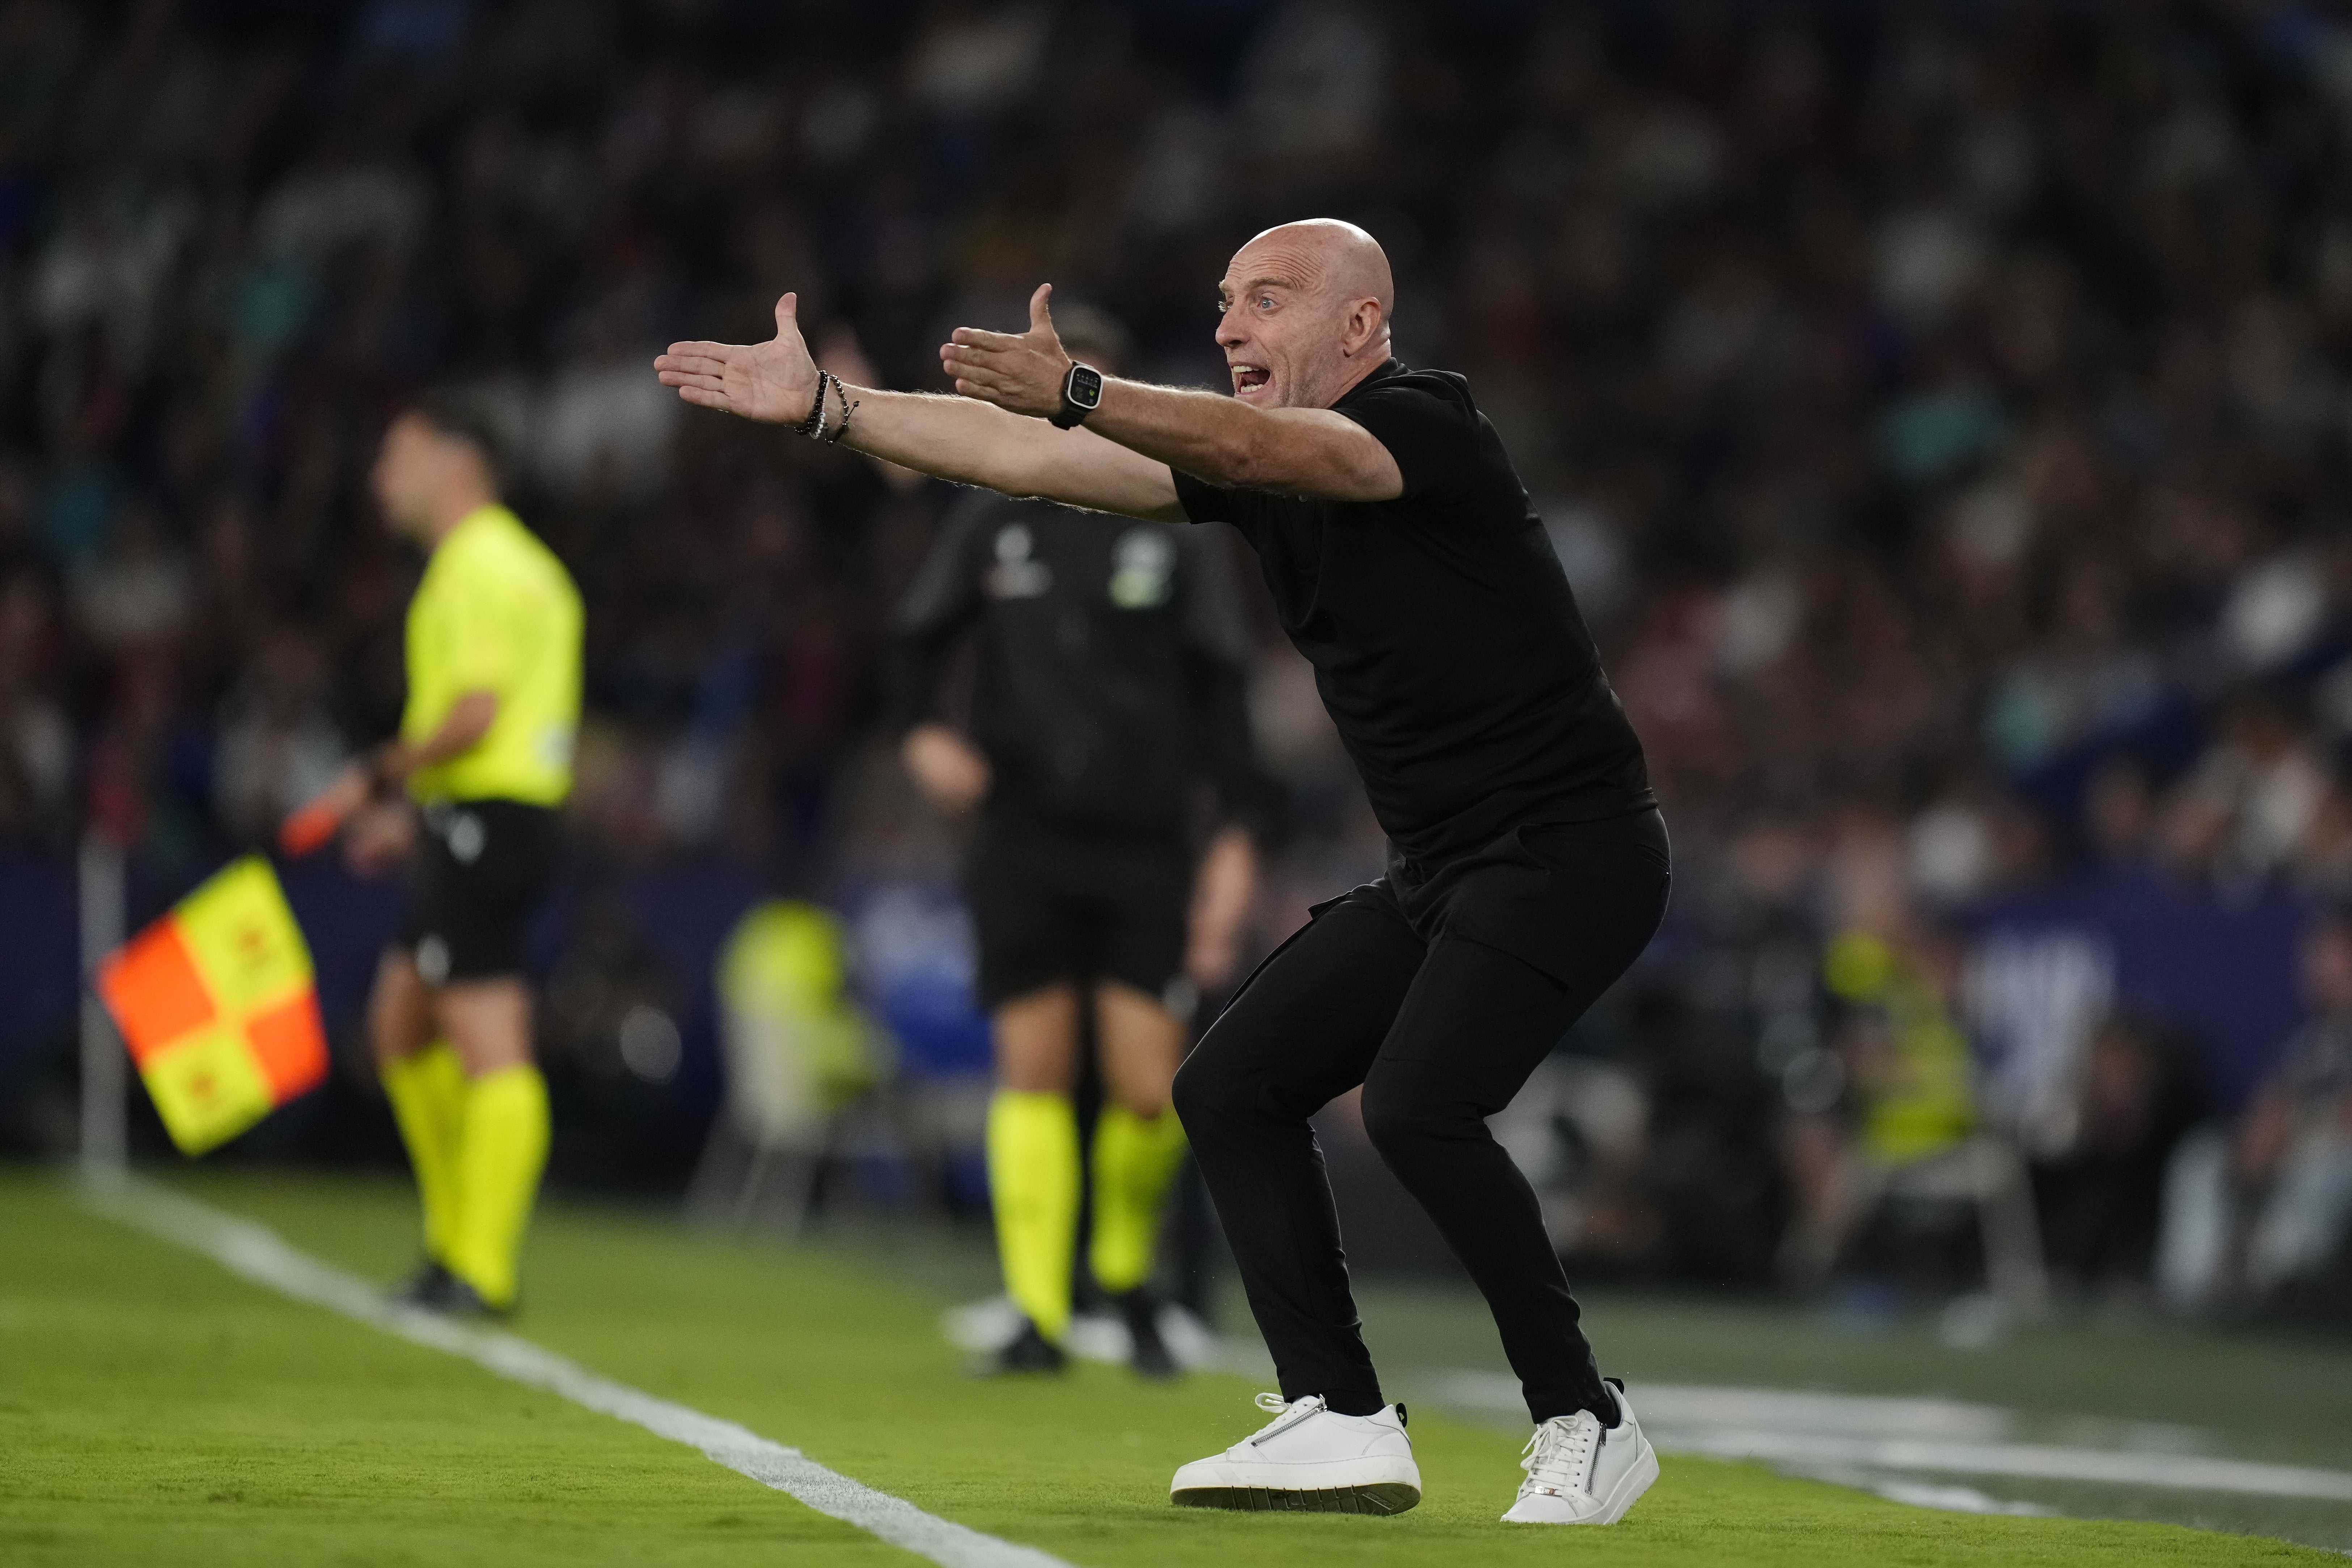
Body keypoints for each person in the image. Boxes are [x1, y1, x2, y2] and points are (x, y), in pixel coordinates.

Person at [656, 218, 1668, 1526]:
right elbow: (1027, 456)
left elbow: (1243, 445)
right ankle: (1341, 1414)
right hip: (1441, 867)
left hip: (1571, 851)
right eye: (1225, 301)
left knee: (1420, 1105)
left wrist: (1079, 384)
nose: (1231, 324)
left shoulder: (1428, 427)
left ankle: (1586, 1413)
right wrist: (831, 408)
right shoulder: (1258, 468)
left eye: (1267, 299)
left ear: (1361, 325)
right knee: (1229, 1085)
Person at [884, 306, 1275, 1380]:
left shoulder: (1173, 519)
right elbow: (913, 644)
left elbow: (1224, 697)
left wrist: (1237, 842)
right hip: (1022, 834)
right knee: (1035, 1071)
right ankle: (1036, 1310)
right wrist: (923, 737)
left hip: (1147, 843)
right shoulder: (995, 515)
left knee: (1149, 1090)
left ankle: (1124, 1275)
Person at [292, 391, 583, 1318]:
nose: (381, 478)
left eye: (397, 457)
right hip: (477, 815)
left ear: (455, 463)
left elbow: (477, 715)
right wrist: (417, 815)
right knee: (400, 1029)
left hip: (493, 819)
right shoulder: (494, 563)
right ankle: (452, 1246)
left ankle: (480, 1268)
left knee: (488, 1036)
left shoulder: (484, 562)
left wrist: (373, 777)